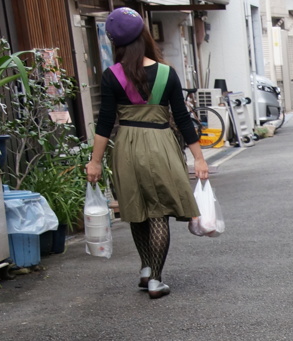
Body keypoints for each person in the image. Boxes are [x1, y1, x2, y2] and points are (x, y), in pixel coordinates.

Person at [84, 7, 207, 300]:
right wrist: (199, 158)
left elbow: (104, 124)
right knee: (159, 212)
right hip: (161, 145)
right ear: (144, 35)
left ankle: (145, 268)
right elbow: (182, 119)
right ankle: (156, 279)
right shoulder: (167, 73)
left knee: (136, 210)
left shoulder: (111, 76)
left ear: (116, 43)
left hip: (126, 146)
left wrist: (95, 161)